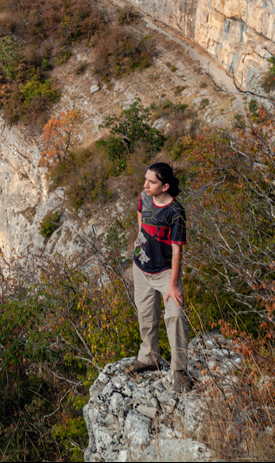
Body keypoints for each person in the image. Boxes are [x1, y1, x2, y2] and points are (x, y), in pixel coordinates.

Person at [124, 162, 192, 392]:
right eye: (146, 180)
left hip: (164, 272)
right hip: (141, 266)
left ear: (165, 186)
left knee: (175, 316)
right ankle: (149, 357)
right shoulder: (145, 196)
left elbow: (177, 250)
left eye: (151, 181)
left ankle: (180, 370)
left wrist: (173, 285)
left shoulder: (175, 212)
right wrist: (140, 235)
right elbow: (140, 213)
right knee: (145, 314)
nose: (145, 185)